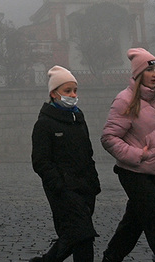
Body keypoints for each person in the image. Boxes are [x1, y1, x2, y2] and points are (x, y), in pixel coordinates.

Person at [99, 48, 155, 262]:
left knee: (133, 224)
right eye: (149, 70)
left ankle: (110, 258)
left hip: (154, 172)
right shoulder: (124, 100)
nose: (154, 74)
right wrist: (138, 154)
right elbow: (108, 137)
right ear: (138, 73)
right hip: (133, 171)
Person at [30, 65, 101, 262]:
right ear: (54, 93)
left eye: (75, 90)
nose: (72, 95)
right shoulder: (44, 123)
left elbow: (88, 153)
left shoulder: (78, 117)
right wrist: (59, 185)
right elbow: (40, 161)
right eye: (67, 91)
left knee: (75, 236)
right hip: (63, 191)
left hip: (85, 188)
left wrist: (93, 182)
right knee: (84, 236)